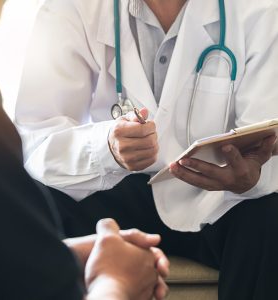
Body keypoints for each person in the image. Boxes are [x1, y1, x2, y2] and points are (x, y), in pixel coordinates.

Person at [15, 0, 278, 298]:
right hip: (116, 188)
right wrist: (106, 147)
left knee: (269, 216)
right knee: (39, 203)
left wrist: (254, 177)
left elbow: (265, 131)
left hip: (217, 200)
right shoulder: (70, 8)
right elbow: (35, 142)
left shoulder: (260, 10)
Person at [0, 0, 170, 299]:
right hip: (111, 191)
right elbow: (37, 145)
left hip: (210, 200)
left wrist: (61, 254)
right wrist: (117, 280)